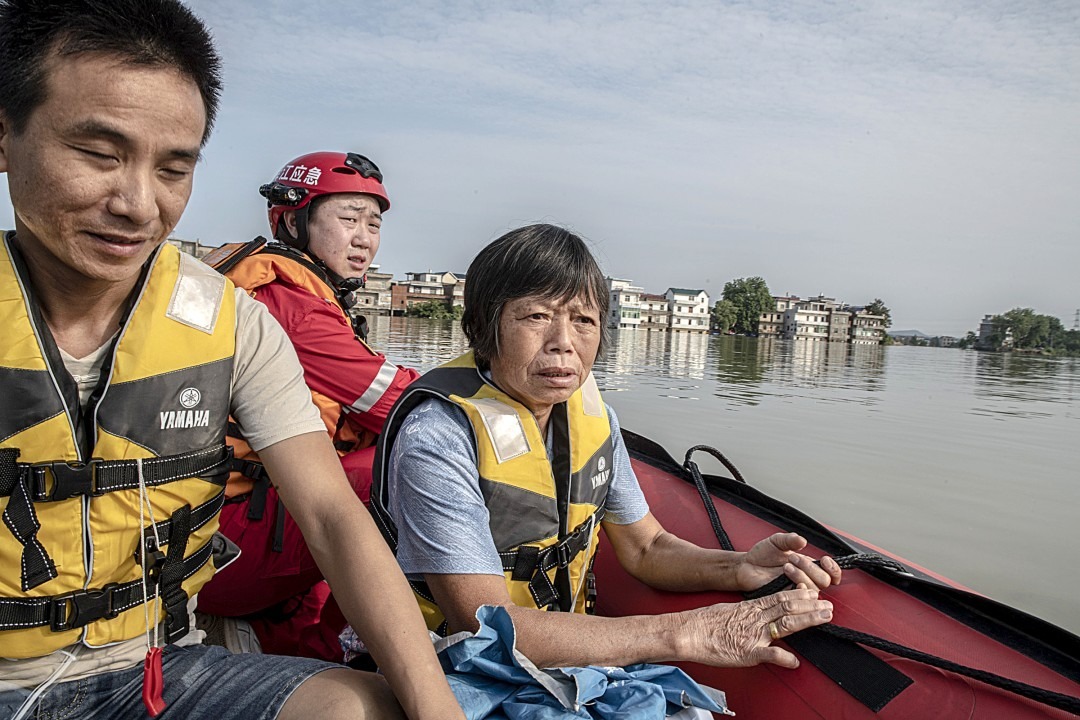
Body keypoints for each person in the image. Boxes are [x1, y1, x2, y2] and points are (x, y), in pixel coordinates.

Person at [0, 1, 465, 719]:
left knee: (368, 706)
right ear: (5, 135)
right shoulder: (286, 296)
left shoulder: (231, 318)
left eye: (173, 168)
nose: (136, 203)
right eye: (98, 154)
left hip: (156, 663)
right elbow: (392, 402)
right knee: (404, 452)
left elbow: (333, 517)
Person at [370, 223, 841, 672]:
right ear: (482, 327)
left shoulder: (595, 421)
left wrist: (739, 568)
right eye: (536, 316)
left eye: (583, 320)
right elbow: (484, 625)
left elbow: (647, 548)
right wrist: (685, 632)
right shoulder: (438, 436)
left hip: (565, 657)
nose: (563, 344)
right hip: (447, 663)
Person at [196, 151, 420, 661]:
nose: (364, 237)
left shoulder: (292, 291)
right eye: (347, 219)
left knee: (346, 467)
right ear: (293, 221)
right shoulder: (287, 305)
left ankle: (305, 643)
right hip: (225, 547)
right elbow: (405, 406)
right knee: (400, 464)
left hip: (238, 524)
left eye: (373, 223)